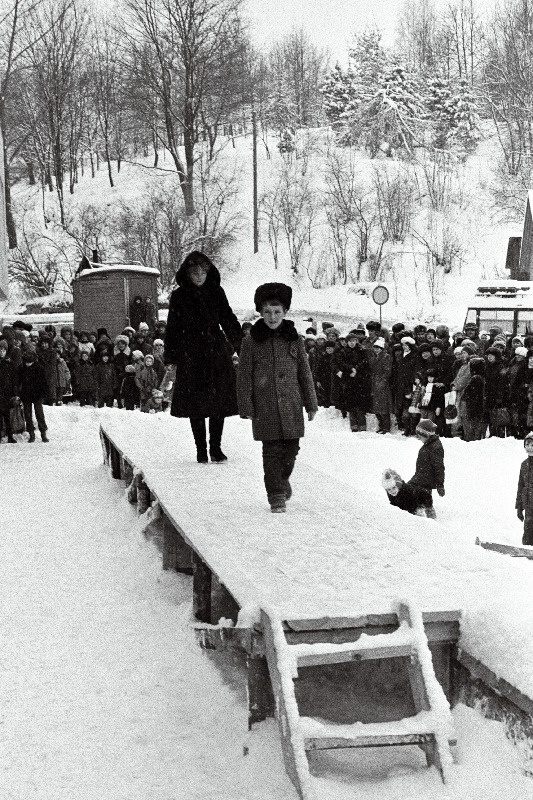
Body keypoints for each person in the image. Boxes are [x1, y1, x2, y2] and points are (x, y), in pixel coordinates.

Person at [237, 282, 318, 513]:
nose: (272, 317)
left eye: (277, 312)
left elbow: (305, 373)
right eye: (267, 312)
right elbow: (243, 376)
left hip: (292, 404)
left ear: (285, 312)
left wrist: (311, 404)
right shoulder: (251, 341)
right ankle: (276, 495)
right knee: (271, 451)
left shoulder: (295, 340)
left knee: (291, 449)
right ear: (260, 313)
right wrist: (246, 405)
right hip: (265, 407)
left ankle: (282, 480)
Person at [164, 251, 243, 463]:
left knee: (218, 402)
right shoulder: (179, 296)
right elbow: (172, 328)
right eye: (194, 271)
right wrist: (171, 357)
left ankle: (215, 447)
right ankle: (201, 448)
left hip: (216, 352)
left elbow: (228, 319)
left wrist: (241, 345)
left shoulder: (217, 292)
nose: (199, 275)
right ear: (187, 273)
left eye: (203, 270)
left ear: (209, 271)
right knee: (195, 403)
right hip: (190, 354)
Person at [407, 418, 445, 519]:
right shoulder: (430, 444)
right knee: (424, 499)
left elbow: (439, 467)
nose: (418, 438)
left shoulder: (434, 447)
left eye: (420, 435)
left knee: (408, 492)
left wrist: (440, 484)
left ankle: (429, 520)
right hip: (422, 476)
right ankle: (423, 516)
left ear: (425, 434)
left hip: (425, 479)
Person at [18, 350, 49, 442]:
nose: (28, 364)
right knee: (27, 415)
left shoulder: (39, 368)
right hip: (26, 394)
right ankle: (31, 434)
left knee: (39, 414)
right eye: (26, 362)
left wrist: (43, 394)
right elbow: (18, 382)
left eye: (30, 362)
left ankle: (43, 433)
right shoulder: (21, 368)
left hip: (37, 394)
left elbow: (44, 382)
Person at [516, 431, 533, 545]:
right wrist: (519, 507)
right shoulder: (524, 465)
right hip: (529, 507)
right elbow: (521, 486)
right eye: (527, 445)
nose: (529, 448)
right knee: (527, 536)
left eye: (532, 445)